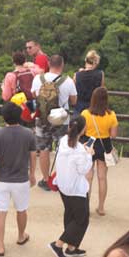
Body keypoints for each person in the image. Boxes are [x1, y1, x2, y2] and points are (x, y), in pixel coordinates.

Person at [0, 101, 35, 257]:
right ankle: (21, 236)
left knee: (1, 211)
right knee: (21, 209)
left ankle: (0, 246)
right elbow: (33, 155)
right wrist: (32, 174)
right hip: (21, 179)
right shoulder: (28, 133)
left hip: (1, 179)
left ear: (4, 117)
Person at [48, 117, 93, 257]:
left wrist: (84, 151)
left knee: (70, 215)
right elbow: (84, 169)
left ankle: (72, 247)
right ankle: (59, 244)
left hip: (63, 185)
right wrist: (89, 155)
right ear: (83, 129)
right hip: (76, 189)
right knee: (81, 219)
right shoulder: (79, 150)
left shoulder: (63, 140)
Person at [32, 55, 77, 189]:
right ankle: (60, 179)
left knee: (44, 149)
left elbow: (34, 95)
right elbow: (74, 101)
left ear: (48, 64)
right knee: (62, 149)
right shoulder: (68, 81)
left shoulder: (38, 78)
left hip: (42, 118)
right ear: (62, 65)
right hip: (61, 119)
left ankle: (45, 179)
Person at [81, 88, 118, 216]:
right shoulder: (111, 114)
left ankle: (85, 207)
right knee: (102, 178)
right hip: (105, 144)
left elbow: (83, 131)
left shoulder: (85, 113)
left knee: (88, 178)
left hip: (89, 143)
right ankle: (101, 207)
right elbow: (113, 135)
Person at [73, 51, 105, 119]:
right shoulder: (100, 74)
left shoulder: (77, 75)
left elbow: (73, 92)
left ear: (86, 60)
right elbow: (101, 91)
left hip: (79, 109)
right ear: (96, 63)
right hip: (94, 108)